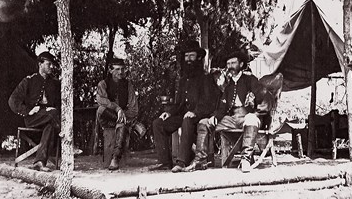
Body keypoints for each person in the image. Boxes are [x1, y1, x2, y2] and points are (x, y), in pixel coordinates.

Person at [151, 40, 219, 172]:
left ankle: (181, 162)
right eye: (186, 56)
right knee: (158, 123)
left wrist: (196, 112)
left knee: (187, 120)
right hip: (183, 115)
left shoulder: (206, 78)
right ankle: (165, 162)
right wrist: (169, 113)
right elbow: (180, 103)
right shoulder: (183, 80)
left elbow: (210, 103)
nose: (188, 59)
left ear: (198, 57)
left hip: (200, 116)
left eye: (191, 56)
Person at [193, 50, 261, 172]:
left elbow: (264, 99)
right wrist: (215, 117)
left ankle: (245, 159)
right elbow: (223, 106)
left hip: (247, 118)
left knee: (252, 119)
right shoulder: (229, 85)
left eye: (233, 63)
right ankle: (200, 160)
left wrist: (256, 114)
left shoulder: (250, 80)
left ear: (241, 64)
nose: (230, 66)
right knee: (204, 122)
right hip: (232, 119)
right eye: (228, 64)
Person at [8, 51, 61, 172]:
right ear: (40, 64)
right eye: (49, 64)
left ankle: (39, 162)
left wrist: (51, 109)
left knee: (51, 127)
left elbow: (58, 104)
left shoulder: (54, 83)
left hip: (49, 118)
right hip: (33, 119)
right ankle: (67, 139)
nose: (51, 67)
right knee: (53, 115)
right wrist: (27, 111)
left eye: (52, 64)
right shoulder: (29, 80)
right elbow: (12, 100)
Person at [96, 57, 139, 171]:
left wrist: (123, 114)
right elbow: (102, 101)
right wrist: (117, 108)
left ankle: (115, 158)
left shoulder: (128, 84)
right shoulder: (103, 84)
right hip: (107, 117)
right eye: (117, 69)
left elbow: (134, 107)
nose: (120, 72)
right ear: (110, 70)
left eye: (122, 69)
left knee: (121, 123)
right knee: (100, 109)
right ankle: (130, 123)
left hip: (122, 118)